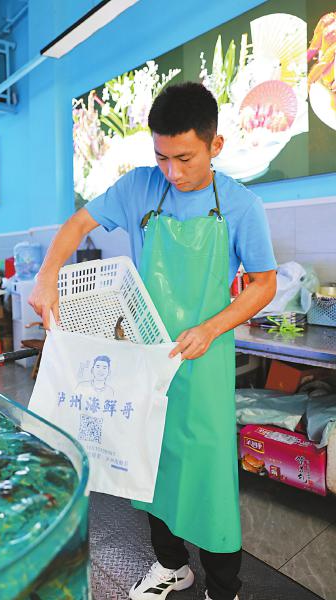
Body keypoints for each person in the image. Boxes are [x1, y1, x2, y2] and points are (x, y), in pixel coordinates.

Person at [29, 82, 277, 600]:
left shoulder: (242, 205)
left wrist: (210, 328)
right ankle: (171, 565)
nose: (172, 172)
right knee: (151, 466)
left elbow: (263, 284)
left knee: (209, 479)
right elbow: (77, 224)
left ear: (215, 145)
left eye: (184, 158)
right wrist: (47, 275)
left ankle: (223, 586)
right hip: (146, 356)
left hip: (204, 361)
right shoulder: (138, 187)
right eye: (162, 157)